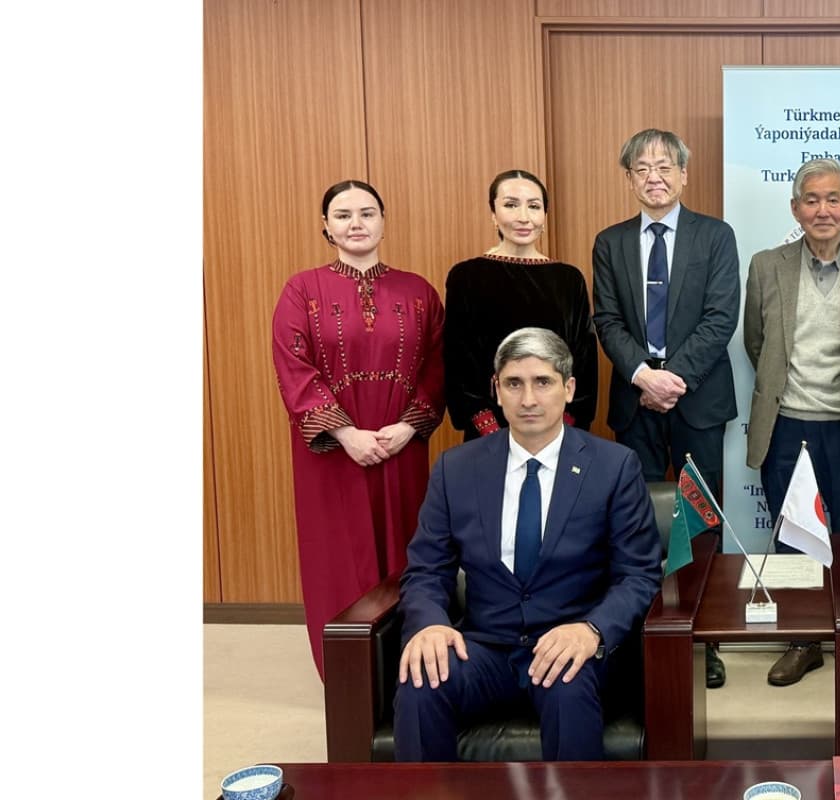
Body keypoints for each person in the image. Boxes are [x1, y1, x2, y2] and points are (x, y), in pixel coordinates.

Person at [393, 327, 662, 762]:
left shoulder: (613, 467)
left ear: (568, 389)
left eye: (543, 382)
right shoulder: (456, 469)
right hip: (484, 647)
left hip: (569, 643)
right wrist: (428, 624)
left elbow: (639, 574)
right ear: (496, 391)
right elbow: (426, 569)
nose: (529, 399)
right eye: (514, 383)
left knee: (567, 683)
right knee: (423, 676)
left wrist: (591, 630)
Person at [271, 179, 445, 679]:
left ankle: (411, 667)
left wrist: (410, 427)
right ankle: (347, 677)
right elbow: (294, 367)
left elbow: (437, 365)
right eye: (343, 215)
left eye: (367, 213)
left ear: (384, 221)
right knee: (339, 555)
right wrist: (346, 434)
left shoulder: (418, 291)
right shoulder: (301, 289)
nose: (356, 223)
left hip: (400, 445)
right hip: (332, 453)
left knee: (406, 551)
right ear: (326, 226)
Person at [591, 128, 740, 689]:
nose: (653, 176)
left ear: (683, 174)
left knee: (699, 517)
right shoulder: (610, 241)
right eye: (641, 168)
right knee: (636, 522)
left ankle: (707, 638)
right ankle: (644, 632)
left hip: (696, 397)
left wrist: (673, 378)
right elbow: (606, 319)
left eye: (663, 166)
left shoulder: (715, 236)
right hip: (635, 399)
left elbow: (721, 316)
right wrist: (642, 376)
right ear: (629, 178)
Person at [743, 157, 840, 686]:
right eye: (812, 200)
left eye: (834, 199)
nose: (823, 210)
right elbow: (755, 341)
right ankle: (802, 640)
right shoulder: (766, 265)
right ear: (795, 208)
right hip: (787, 424)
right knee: (794, 541)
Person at [443, 170, 597, 440]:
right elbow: (459, 361)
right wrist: (488, 428)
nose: (523, 217)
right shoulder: (466, 276)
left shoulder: (568, 279)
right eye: (511, 205)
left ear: (544, 217)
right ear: (493, 214)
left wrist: (565, 425)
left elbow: (582, 359)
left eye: (534, 206)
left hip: (557, 429)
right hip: (487, 431)